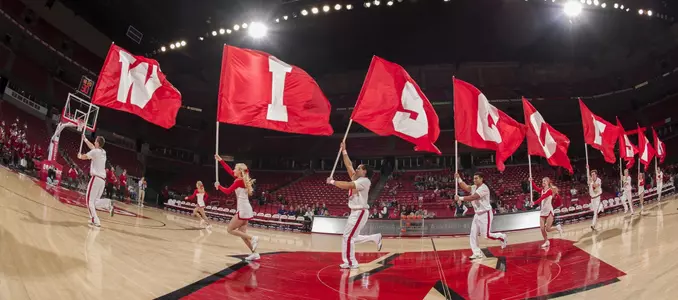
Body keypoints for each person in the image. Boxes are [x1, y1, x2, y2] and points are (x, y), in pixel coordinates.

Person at [326, 142, 383, 269]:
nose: (356, 169)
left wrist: (333, 182)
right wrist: (344, 151)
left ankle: (351, 262)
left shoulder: (364, 181)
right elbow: (348, 165)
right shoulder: (357, 178)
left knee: (347, 237)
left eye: (359, 168)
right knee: (352, 237)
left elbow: (347, 185)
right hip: (356, 212)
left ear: (364, 172)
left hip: (360, 211)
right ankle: (375, 237)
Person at [215, 154, 260, 261]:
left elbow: (227, 191)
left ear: (240, 171)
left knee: (230, 229)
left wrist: (219, 186)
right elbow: (229, 171)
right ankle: (255, 254)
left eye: (235, 169)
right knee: (242, 234)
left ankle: (253, 238)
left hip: (243, 209)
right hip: (246, 208)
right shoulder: (241, 179)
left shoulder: (238, 181)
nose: (233, 170)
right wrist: (221, 160)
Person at [455, 172, 507, 260]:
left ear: (481, 179)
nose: (474, 180)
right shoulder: (474, 187)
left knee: (486, 235)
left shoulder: (484, 188)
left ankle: (502, 237)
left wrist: (460, 198)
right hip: (477, 214)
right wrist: (459, 178)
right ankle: (476, 252)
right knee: (473, 234)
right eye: (474, 178)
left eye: (476, 178)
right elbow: (466, 187)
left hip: (485, 214)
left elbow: (473, 197)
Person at [77, 136, 114, 227]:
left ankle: (95, 220)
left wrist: (80, 156)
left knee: (89, 201)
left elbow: (86, 156)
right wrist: (85, 139)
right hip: (102, 181)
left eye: (95, 141)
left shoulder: (95, 152)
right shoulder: (102, 152)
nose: (94, 142)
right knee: (94, 202)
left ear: (97, 143)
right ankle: (108, 203)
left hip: (96, 178)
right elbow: (92, 147)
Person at [530, 177, 564, 248]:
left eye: (545, 181)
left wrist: (534, 203)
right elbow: (535, 188)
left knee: (548, 229)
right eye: (542, 181)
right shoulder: (542, 190)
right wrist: (531, 181)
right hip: (543, 212)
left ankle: (557, 227)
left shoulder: (550, 191)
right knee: (542, 229)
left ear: (548, 182)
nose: (543, 182)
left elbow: (542, 197)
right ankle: (546, 241)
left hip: (549, 211)